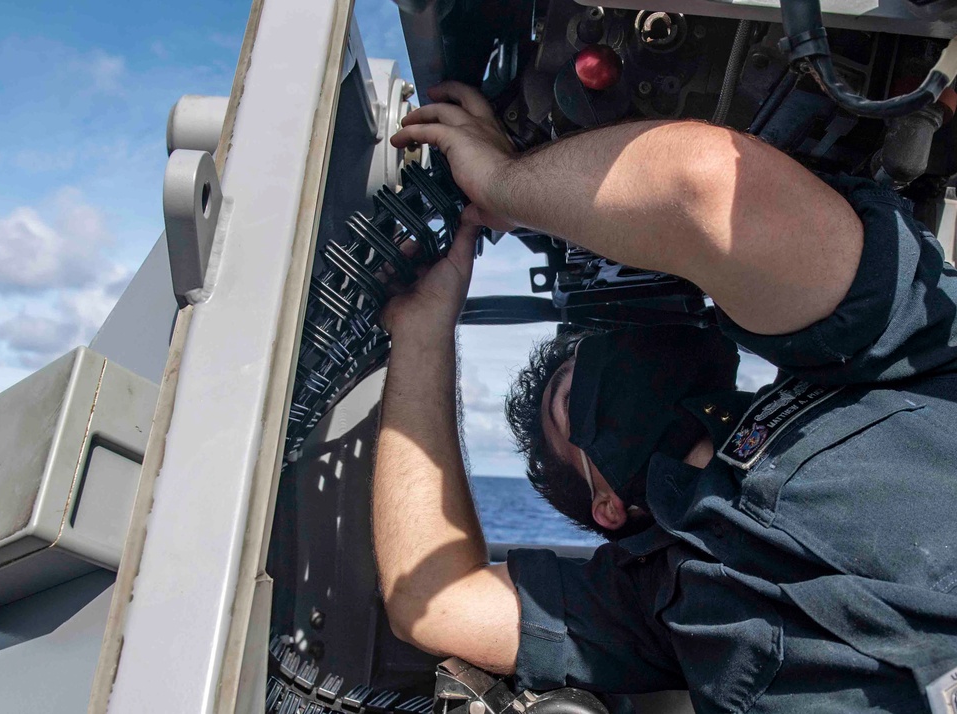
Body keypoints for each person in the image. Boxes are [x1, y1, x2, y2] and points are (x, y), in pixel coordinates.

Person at [372, 81, 957, 712]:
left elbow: (704, 186)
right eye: (574, 396)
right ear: (608, 506)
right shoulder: (652, 602)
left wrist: (509, 184)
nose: (607, 365)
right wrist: (423, 331)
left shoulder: (873, 354)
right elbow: (431, 601)